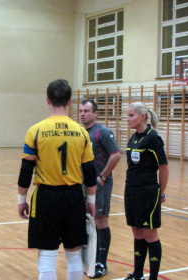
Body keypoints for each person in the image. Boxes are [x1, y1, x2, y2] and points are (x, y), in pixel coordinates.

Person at [17, 79, 98, 280]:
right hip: (73, 197)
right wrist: (91, 201)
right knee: (74, 252)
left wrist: (21, 200)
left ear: (47, 100)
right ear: (70, 101)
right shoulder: (81, 132)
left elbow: (26, 170)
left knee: (47, 253)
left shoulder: (35, 131)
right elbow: (89, 171)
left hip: (46, 197)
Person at [123, 102, 169, 280]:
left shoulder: (153, 138)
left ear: (142, 116)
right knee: (137, 232)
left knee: (150, 234)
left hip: (148, 192)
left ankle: (153, 277)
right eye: (127, 115)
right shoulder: (134, 138)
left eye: (131, 115)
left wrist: (161, 192)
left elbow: (163, 167)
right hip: (131, 191)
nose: (127, 119)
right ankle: (138, 274)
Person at [79, 99, 121, 278]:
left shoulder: (102, 132)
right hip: (82, 184)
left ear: (95, 113)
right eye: (81, 111)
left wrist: (102, 177)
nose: (82, 114)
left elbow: (116, 154)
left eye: (87, 111)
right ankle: (89, 259)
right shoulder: (79, 132)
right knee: (86, 221)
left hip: (99, 185)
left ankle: (101, 263)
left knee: (100, 221)